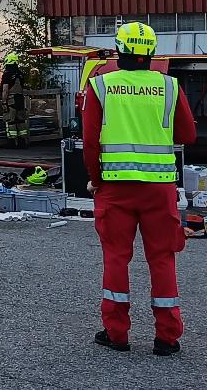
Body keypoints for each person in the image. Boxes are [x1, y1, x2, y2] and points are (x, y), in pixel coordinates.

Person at [83, 22, 195, 356]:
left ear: (118, 50)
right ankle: (167, 337)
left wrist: (96, 179)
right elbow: (187, 135)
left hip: (115, 188)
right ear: (150, 53)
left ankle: (116, 333)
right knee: (162, 259)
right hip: (159, 188)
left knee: (116, 257)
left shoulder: (101, 85)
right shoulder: (170, 86)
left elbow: (90, 143)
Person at [0, 53, 29, 148]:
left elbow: (5, 90)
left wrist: (4, 102)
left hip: (11, 100)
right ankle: (22, 142)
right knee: (21, 121)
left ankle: (12, 142)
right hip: (20, 100)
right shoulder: (20, 74)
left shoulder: (7, 74)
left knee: (11, 121)